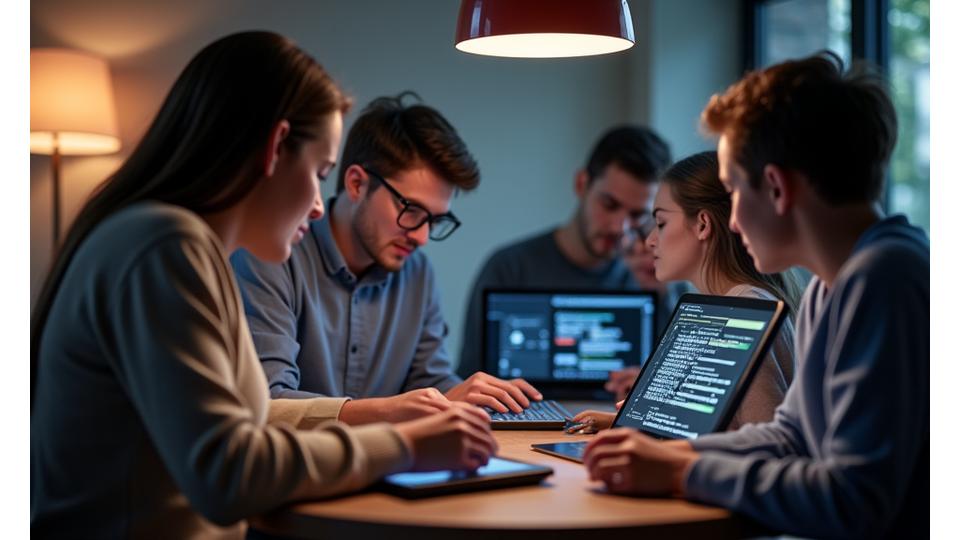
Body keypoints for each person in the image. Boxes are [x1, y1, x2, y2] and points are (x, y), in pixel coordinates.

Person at [31, 32, 496, 539]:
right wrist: (405, 445)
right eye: (319, 172)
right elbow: (228, 473)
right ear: (276, 148)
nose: (318, 205)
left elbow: (253, 422)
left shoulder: (180, 245)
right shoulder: (166, 246)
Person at [582, 52, 928, 539]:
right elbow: (791, 437)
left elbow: (855, 499)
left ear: (776, 188)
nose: (733, 219)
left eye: (735, 191)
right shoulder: (831, 286)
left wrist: (683, 472)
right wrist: (668, 453)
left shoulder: (885, 279)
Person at [232, 93, 543, 417]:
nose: (422, 237)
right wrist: (392, 410)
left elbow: (431, 383)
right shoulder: (271, 256)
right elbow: (270, 402)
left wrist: (473, 398)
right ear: (357, 184)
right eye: (411, 210)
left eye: (435, 221)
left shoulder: (418, 273)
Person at [570, 151, 801, 433]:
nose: (650, 241)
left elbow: (768, 445)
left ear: (703, 224)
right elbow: (702, 431)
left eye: (661, 224)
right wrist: (627, 422)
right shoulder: (712, 310)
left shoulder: (748, 311)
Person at [458, 125, 682, 381]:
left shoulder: (654, 278)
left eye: (637, 215)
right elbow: (470, 378)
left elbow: (680, 386)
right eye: (609, 205)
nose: (619, 227)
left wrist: (664, 297)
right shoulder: (510, 267)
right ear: (581, 184)